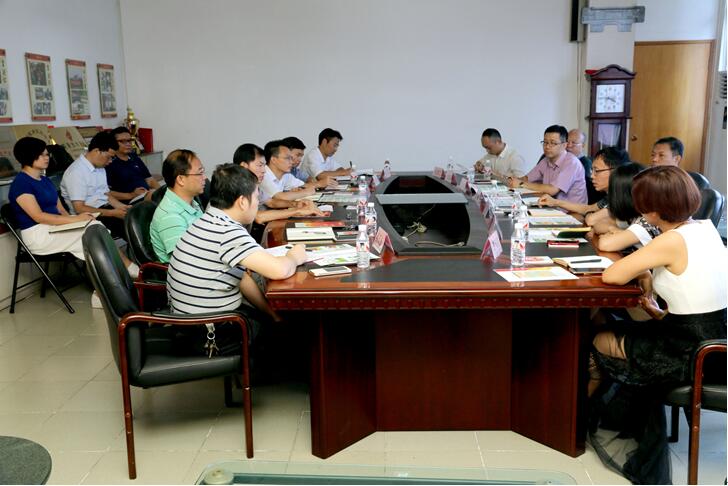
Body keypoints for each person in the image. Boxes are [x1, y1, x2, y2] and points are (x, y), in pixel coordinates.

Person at [588, 165, 726, 484]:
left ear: (651, 209)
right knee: (614, 323)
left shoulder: (672, 240)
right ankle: (601, 414)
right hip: (713, 339)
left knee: (599, 339)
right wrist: (648, 277)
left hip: (690, 353)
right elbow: (697, 300)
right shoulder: (703, 228)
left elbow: (612, 275)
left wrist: (643, 271)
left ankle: (582, 418)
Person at [166, 164, 307, 320]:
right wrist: (295, 256)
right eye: (256, 197)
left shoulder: (209, 219)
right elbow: (280, 270)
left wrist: (273, 316)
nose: (257, 203)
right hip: (212, 325)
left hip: (191, 320)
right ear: (242, 202)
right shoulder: (227, 231)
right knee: (298, 320)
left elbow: (242, 279)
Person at [8, 137, 137, 303]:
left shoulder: (45, 180)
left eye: (47, 154)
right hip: (38, 234)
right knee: (91, 234)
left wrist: (78, 219)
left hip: (53, 227)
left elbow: (61, 210)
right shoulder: (21, 183)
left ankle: (111, 286)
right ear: (28, 157)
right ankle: (124, 276)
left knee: (93, 227)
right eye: (42, 155)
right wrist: (77, 220)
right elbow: (38, 216)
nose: (47, 158)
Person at [60, 131, 128, 239]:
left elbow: (106, 194)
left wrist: (123, 207)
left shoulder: (100, 167)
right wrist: (113, 213)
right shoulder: (76, 172)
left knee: (136, 217)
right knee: (130, 227)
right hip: (89, 216)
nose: (110, 161)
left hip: (105, 210)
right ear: (97, 151)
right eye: (108, 157)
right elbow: (79, 208)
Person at [149, 149, 205, 263]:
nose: (204, 178)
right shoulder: (170, 216)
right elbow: (186, 261)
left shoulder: (192, 203)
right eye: (199, 173)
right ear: (181, 179)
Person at [538, 146, 629, 216]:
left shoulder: (625, 198)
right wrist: (555, 202)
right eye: (592, 170)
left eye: (597, 171)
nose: (592, 176)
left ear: (615, 171)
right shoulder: (610, 196)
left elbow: (591, 220)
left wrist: (590, 215)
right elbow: (588, 209)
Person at [508, 125, 587, 204]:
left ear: (564, 145)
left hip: (569, 210)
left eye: (553, 143)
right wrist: (511, 180)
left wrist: (521, 184)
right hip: (550, 206)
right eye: (545, 142)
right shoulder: (546, 160)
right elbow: (526, 179)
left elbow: (552, 190)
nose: (547, 147)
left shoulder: (572, 163)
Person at [595, 163, 660, 252]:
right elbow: (598, 225)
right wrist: (614, 229)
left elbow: (604, 244)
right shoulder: (633, 216)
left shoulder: (647, 221)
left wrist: (619, 234)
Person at [105, 127, 161, 203]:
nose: (128, 144)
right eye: (122, 141)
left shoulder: (133, 156)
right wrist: (131, 195)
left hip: (146, 195)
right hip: (129, 201)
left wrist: (162, 193)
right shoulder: (109, 162)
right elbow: (106, 193)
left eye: (129, 140)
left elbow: (150, 180)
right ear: (113, 143)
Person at [566, 129, 600, 204]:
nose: (569, 145)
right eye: (567, 142)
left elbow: (587, 189)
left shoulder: (586, 163)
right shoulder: (562, 160)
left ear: (583, 145)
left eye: (573, 143)